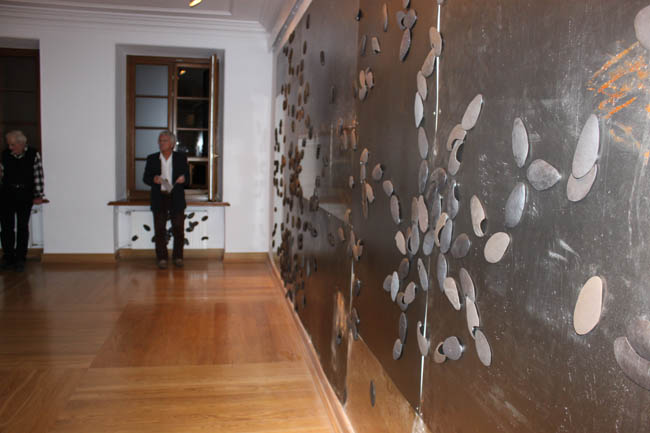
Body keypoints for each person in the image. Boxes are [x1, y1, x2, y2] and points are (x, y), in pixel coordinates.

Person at [143, 131, 189, 269]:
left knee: (178, 229)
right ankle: (162, 258)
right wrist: (153, 179)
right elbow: (145, 178)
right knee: (159, 229)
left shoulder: (181, 158)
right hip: (159, 197)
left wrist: (184, 179)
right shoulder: (152, 158)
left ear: (172, 144)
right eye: (160, 140)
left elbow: (188, 179)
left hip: (176, 196)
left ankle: (178, 257)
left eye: (164, 141)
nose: (161, 143)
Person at [0, 130, 45, 272]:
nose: (10, 147)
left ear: (21, 143)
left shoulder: (33, 154)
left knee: (22, 227)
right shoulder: (5, 155)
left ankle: (20, 258)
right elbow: (1, 174)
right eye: (9, 145)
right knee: (6, 228)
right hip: (6, 195)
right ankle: (8, 257)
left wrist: (38, 195)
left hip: (25, 195)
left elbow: (38, 175)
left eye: (12, 145)